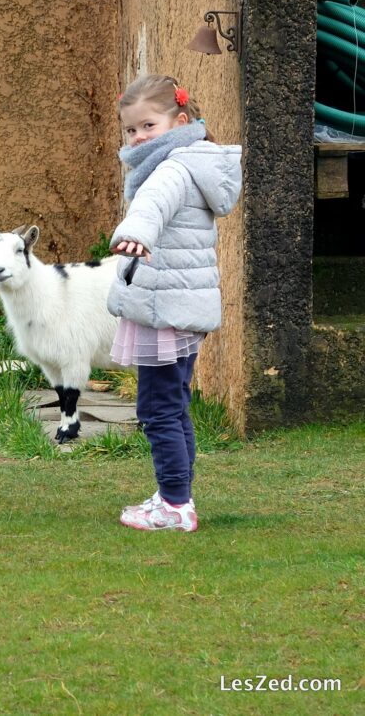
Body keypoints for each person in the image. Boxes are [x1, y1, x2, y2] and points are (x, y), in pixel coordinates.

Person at [108, 74, 242, 532]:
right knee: (172, 404)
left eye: (148, 126)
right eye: (131, 130)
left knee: (158, 408)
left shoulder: (171, 169)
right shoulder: (190, 161)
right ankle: (176, 494)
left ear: (179, 120)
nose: (138, 137)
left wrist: (132, 236)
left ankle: (174, 504)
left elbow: (152, 210)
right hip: (178, 303)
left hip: (165, 307)